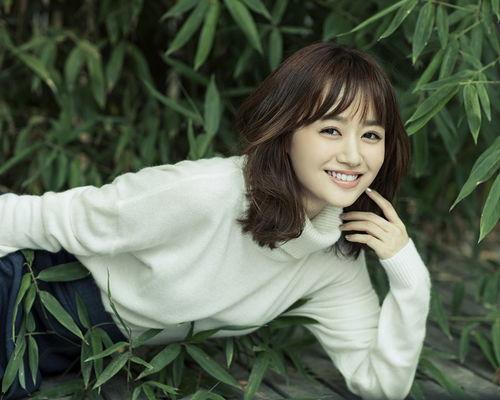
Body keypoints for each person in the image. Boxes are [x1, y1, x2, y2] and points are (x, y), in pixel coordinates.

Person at [0, 41, 431, 400]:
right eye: (331, 130)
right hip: (26, 288)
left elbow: (381, 385)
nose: (354, 156)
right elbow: (29, 216)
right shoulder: (205, 192)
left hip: (62, 351)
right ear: (285, 133)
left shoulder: (332, 258)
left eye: (371, 135)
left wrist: (409, 273)